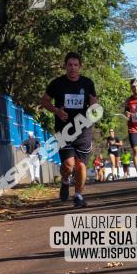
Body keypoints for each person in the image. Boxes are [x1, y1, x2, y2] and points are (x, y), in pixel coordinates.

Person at [40, 52, 98, 208]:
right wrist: (57, 111)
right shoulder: (57, 84)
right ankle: (65, 180)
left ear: (80, 67)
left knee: (80, 165)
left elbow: (94, 103)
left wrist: (93, 105)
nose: (73, 68)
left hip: (83, 128)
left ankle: (78, 195)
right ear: (65, 66)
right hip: (64, 129)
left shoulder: (87, 83)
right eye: (70, 65)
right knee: (68, 164)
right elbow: (44, 101)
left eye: (76, 65)